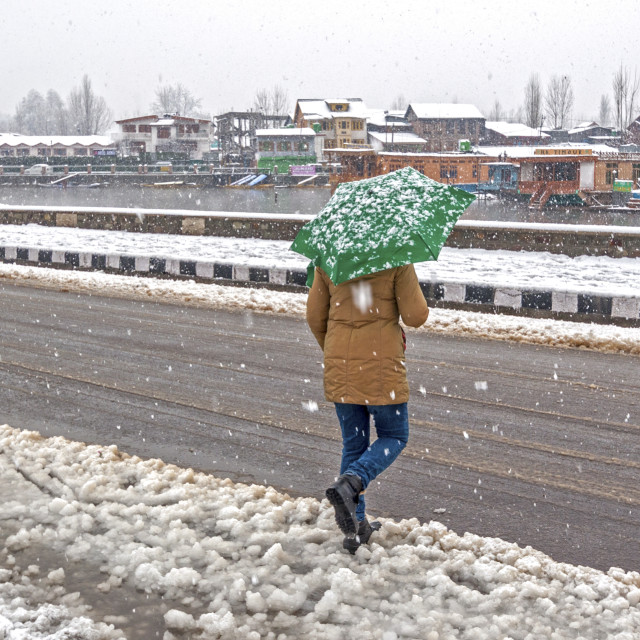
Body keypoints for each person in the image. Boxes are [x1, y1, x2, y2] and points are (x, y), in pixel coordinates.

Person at [306, 264, 429, 553]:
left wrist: (338, 351)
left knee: (354, 443)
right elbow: (415, 315)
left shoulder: (328, 258)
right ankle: (352, 482)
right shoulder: (396, 256)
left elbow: (314, 317)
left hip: (341, 366)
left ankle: (356, 530)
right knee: (395, 435)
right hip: (381, 365)